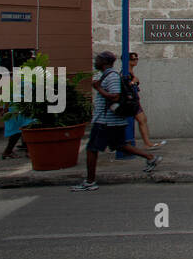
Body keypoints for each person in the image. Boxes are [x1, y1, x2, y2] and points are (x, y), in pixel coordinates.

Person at [71, 51, 161, 191]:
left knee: (92, 149)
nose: (96, 61)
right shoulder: (106, 75)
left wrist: (98, 88)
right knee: (120, 145)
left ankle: (90, 181)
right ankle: (151, 157)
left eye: (98, 59)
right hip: (111, 121)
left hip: (106, 121)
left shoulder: (111, 76)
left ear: (105, 62)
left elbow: (115, 96)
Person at [128, 53, 166, 149]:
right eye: (133, 59)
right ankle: (147, 143)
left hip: (134, 100)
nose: (135, 61)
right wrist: (133, 82)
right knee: (140, 120)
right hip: (130, 102)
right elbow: (124, 86)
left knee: (143, 120)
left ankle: (147, 143)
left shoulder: (131, 72)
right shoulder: (125, 72)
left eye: (137, 59)